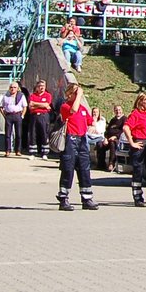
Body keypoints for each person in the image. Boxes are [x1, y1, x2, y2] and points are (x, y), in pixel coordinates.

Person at [53, 83, 99, 211]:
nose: (78, 94)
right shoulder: (65, 106)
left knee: (84, 169)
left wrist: (93, 124)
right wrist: (78, 94)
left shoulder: (83, 109)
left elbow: (90, 121)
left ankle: (87, 198)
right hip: (70, 139)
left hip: (82, 140)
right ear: (69, 94)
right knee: (68, 169)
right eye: (75, 92)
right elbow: (73, 109)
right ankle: (63, 198)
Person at [123, 94, 146, 207]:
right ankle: (138, 197)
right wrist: (132, 142)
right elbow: (126, 127)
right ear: (140, 102)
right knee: (138, 171)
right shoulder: (136, 114)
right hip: (140, 143)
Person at [27, 80, 55, 158]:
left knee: (44, 133)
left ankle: (45, 153)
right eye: (39, 86)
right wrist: (42, 105)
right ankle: (33, 153)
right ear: (36, 87)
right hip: (34, 115)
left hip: (44, 116)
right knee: (33, 133)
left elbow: (47, 104)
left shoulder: (48, 95)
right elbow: (30, 106)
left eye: (43, 86)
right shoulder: (32, 95)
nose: (41, 87)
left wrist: (35, 104)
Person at [0, 82, 27, 157]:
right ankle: (7, 150)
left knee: (18, 134)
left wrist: (22, 116)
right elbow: (1, 107)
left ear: (17, 88)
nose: (13, 89)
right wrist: (5, 116)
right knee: (8, 134)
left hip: (18, 115)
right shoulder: (6, 96)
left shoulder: (21, 96)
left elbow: (25, 107)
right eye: (11, 87)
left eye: (14, 87)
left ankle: (18, 150)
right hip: (9, 115)